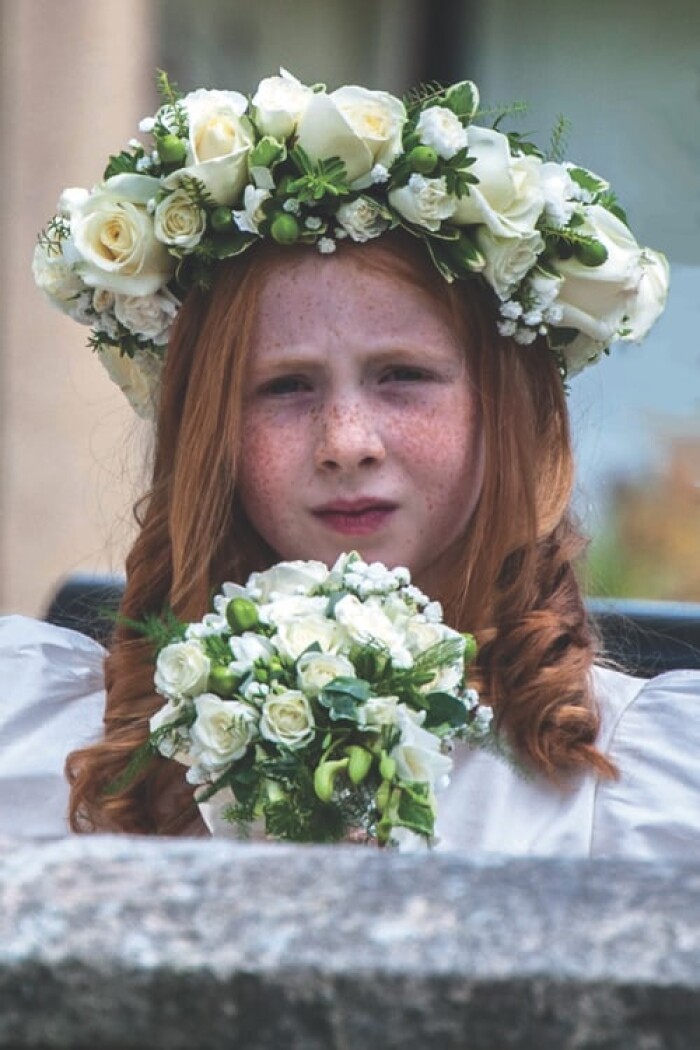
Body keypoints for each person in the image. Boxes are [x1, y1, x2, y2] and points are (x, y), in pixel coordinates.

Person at [2, 70, 698, 854]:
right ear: (208, 433)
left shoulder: (639, 785)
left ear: (507, 415)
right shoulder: (37, 743)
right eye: (284, 386)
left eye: (403, 376)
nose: (345, 441)